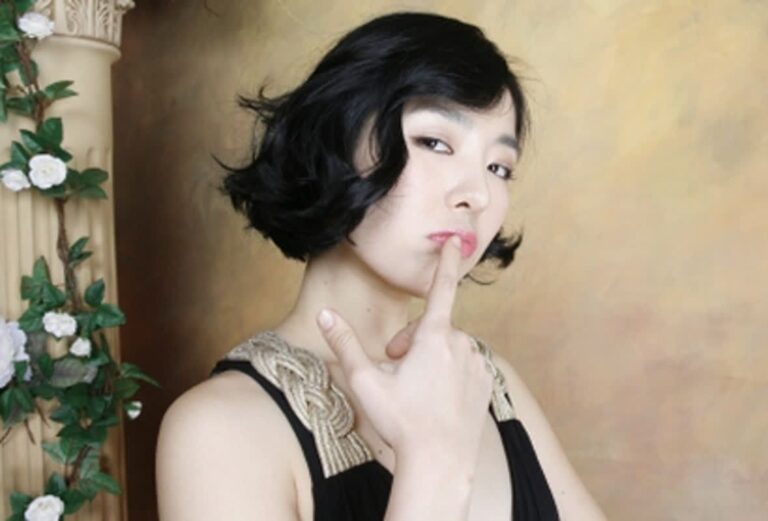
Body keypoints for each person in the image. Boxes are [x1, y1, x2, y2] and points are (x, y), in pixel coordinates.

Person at [156, 11, 606, 521]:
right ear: (335, 137)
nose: (477, 194)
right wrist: (434, 460)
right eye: (435, 142)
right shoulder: (220, 428)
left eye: (498, 167)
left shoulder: (488, 383)